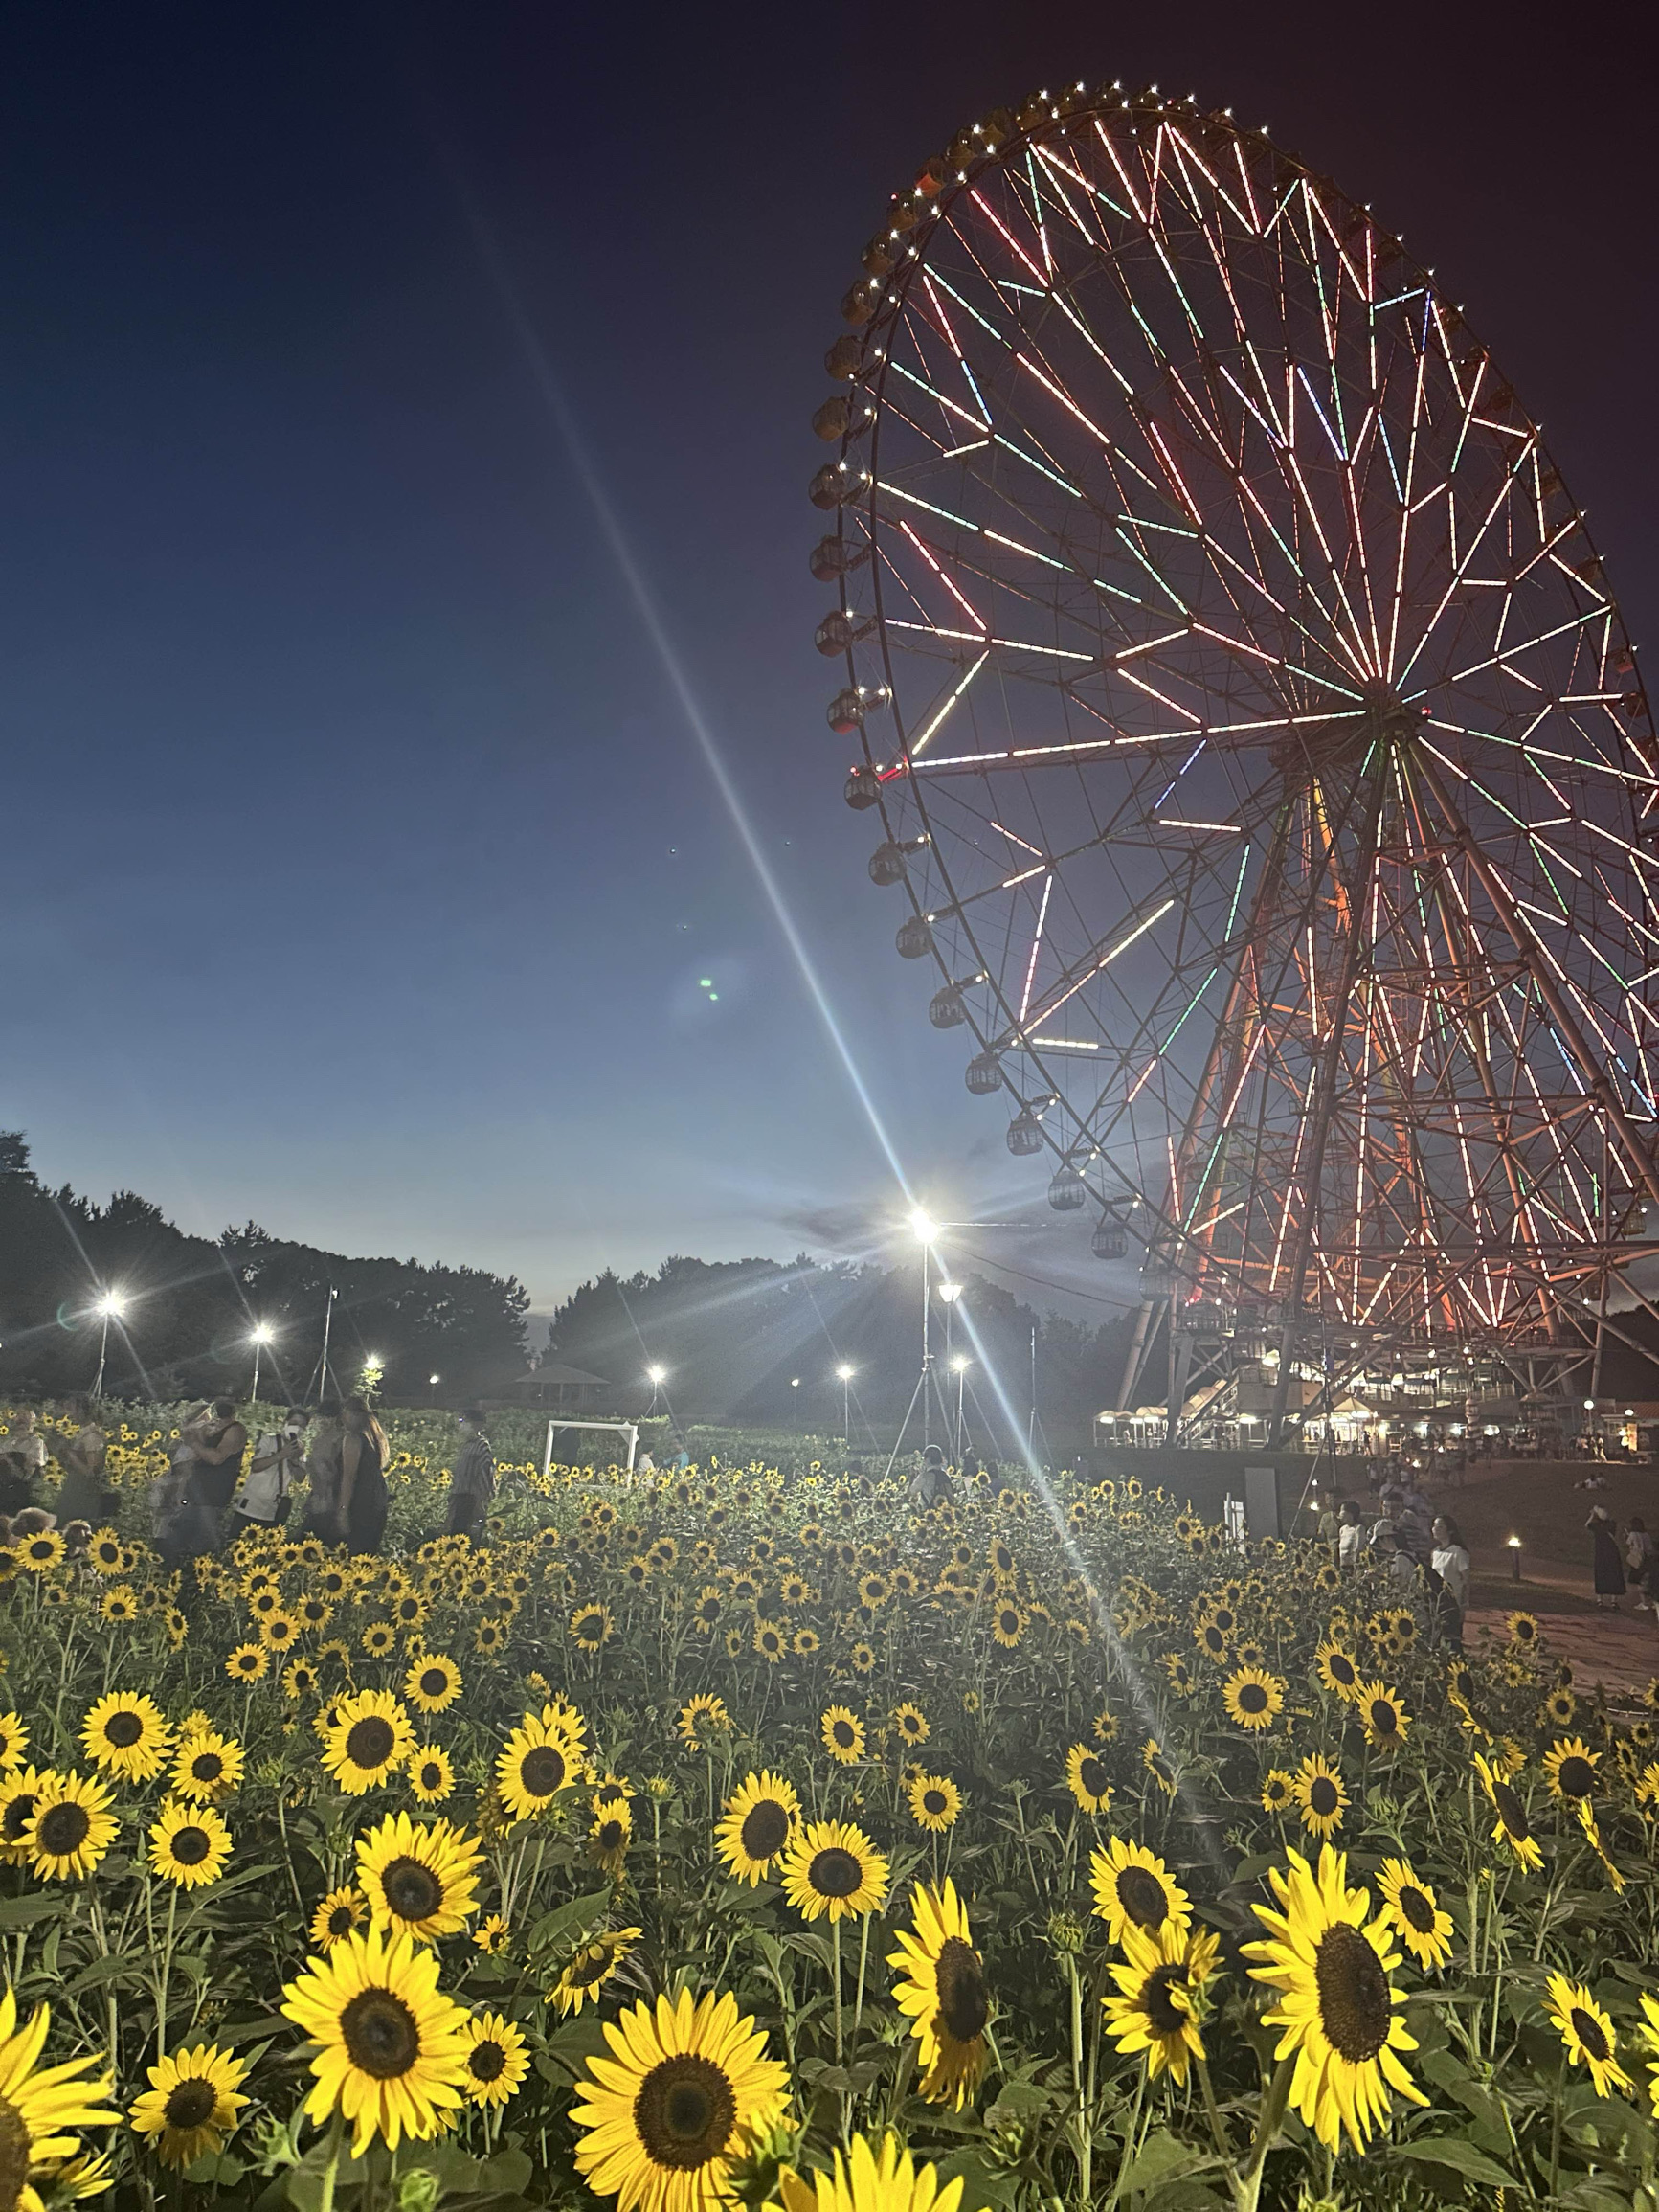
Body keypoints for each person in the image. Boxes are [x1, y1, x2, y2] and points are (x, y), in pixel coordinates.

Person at [230, 1409, 308, 1537]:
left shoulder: (300, 1449)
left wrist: (294, 1461)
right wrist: (282, 1454)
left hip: (272, 1509)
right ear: (286, 1422)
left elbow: (300, 1478)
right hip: (251, 1504)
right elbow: (256, 1466)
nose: (297, 1428)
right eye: (294, 1423)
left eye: (301, 1425)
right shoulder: (269, 1440)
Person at [338, 1396, 391, 1555]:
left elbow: (349, 1477)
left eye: (344, 1413)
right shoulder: (376, 1438)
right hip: (376, 1502)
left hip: (359, 1504)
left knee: (351, 1554)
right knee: (367, 1556)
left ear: (350, 1413)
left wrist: (342, 1511)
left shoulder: (353, 1438)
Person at [52, 1399, 113, 1525]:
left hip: (83, 1492)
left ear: (83, 1411)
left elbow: (92, 1471)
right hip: (74, 1486)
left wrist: (71, 1454)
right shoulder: (82, 1433)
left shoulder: (92, 1436)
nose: (69, 1414)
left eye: (72, 1409)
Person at [446, 1407, 496, 1542]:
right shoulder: (467, 1445)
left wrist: (482, 1500)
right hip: (459, 1497)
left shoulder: (481, 1445)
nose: (461, 1426)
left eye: (464, 1421)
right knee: (453, 1535)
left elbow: (486, 1474)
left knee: (464, 1537)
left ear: (475, 1425)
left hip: (471, 1499)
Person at [301, 1399, 346, 1545]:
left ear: (335, 1419)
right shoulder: (319, 1439)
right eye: (320, 1417)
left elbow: (339, 1473)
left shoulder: (340, 1440)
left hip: (330, 1500)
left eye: (326, 1417)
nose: (321, 1421)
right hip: (316, 1498)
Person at [0, 1410, 47, 1514]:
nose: (20, 1421)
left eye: (25, 1419)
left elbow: (34, 1465)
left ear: (32, 1424)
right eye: (19, 1418)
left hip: (22, 1489)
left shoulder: (37, 1443)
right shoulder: (9, 1442)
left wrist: (12, 1460)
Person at [1587, 1503, 1626, 1608]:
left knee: (1601, 1574)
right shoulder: (1612, 1524)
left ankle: (1600, 1599)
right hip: (1612, 1552)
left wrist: (1592, 1515)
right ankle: (1614, 1600)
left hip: (1601, 1553)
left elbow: (1587, 1525)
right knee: (1614, 1574)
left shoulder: (1596, 1526)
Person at [1430, 1513, 1470, 1610]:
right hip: (1437, 1602)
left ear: (1450, 1530)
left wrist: (1464, 1602)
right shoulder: (1435, 1552)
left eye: (1440, 1527)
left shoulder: (1458, 1552)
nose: (1435, 1529)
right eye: (1434, 1526)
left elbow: (1466, 1579)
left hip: (1453, 1602)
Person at [908, 1442, 954, 1509]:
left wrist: (912, 1476)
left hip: (929, 1514)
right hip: (946, 1513)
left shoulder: (925, 1476)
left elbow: (910, 1492)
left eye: (924, 1458)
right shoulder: (946, 1475)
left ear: (928, 1459)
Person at [1625, 1515, 1655, 1612]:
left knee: (1639, 1582)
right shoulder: (1646, 1535)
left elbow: (1628, 1543)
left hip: (1637, 1560)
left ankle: (1644, 1603)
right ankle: (1652, 1601)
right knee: (1648, 1580)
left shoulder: (1633, 1534)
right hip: (1647, 1559)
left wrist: (1626, 1536)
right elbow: (1650, 1548)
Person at [1337, 1497, 1365, 1569]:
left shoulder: (1359, 1528)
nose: (1340, 1514)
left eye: (1342, 1512)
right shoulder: (1342, 1529)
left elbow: (1359, 1549)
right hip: (1342, 1565)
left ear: (1351, 1514)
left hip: (1353, 1567)